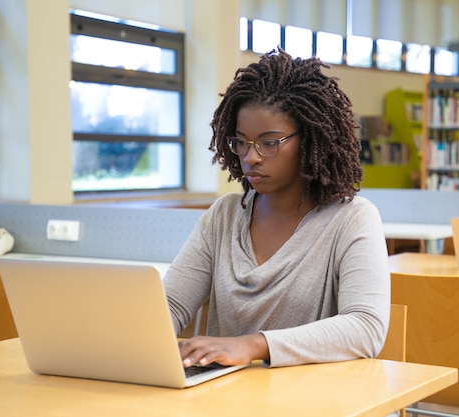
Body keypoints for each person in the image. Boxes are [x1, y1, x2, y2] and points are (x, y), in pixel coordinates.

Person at [163, 48, 390, 370]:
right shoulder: (224, 215)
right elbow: (170, 305)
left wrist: (254, 345)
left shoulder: (352, 218)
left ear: (311, 140)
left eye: (269, 142)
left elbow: (365, 328)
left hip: (315, 400)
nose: (250, 157)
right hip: (227, 399)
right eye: (241, 141)